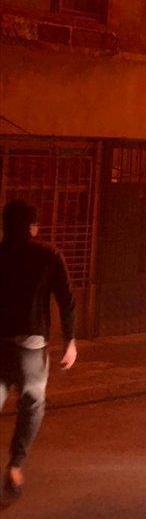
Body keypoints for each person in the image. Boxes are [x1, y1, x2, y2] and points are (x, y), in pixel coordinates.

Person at [0, 200, 77, 503]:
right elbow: (67, 300)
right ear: (32, 226)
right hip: (30, 347)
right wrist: (70, 340)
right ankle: (16, 465)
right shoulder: (48, 255)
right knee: (32, 403)